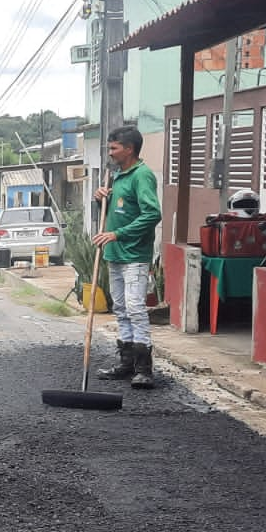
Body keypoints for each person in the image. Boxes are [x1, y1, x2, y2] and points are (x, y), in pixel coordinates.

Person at [91, 125, 162, 389]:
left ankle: (144, 369)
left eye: (114, 148)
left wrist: (117, 234)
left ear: (129, 149)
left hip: (134, 255)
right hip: (115, 254)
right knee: (120, 308)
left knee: (135, 308)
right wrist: (101, 199)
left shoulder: (142, 176)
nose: (110, 153)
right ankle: (126, 363)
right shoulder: (117, 176)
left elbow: (152, 214)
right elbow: (118, 210)